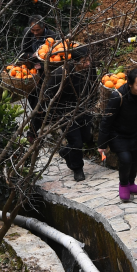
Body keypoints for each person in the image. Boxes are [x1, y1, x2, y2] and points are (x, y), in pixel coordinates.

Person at [97, 68, 137, 201]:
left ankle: (131, 183)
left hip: (135, 132)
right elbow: (107, 120)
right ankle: (124, 184)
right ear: (130, 84)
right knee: (126, 159)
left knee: (135, 159)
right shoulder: (118, 96)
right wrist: (102, 144)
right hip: (118, 134)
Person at [47, 49, 96, 182]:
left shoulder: (90, 69)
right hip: (66, 112)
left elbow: (93, 85)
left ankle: (66, 151)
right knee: (76, 142)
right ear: (74, 62)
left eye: (89, 59)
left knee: (86, 137)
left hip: (84, 109)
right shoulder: (60, 74)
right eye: (84, 61)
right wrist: (55, 114)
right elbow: (48, 93)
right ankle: (77, 168)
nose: (88, 63)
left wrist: (92, 102)